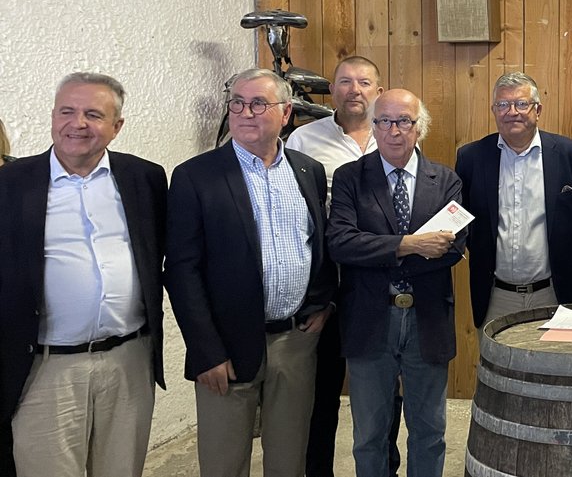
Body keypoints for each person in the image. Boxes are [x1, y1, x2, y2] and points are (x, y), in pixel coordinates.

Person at [165, 68, 336, 477]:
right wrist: (206, 350)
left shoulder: (307, 171)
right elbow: (182, 270)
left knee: (289, 459)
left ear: (286, 113)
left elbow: (321, 245)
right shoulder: (195, 176)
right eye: (237, 103)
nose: (245, 112)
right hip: (225, 346)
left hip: (295, 341)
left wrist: (323, 302)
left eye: (258, 103)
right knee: (224, 462)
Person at [0, 72, 167, 477]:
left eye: (93, 114)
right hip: (45, 368)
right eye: (67, 111)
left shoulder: (145, 178)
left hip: (129, 360)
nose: (78, 123)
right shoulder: (10, 184)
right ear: (53, 117)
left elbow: (160, 254)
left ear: (116, 126)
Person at [327, 88, 464, 477]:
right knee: (369, 433)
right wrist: (411, 244)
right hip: (371, 317)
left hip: (428, 320)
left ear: (419, 128)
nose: (393, 130)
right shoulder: (351, 178)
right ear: (374, 126)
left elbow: (454, 248)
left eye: (404, 121)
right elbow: (341, 243)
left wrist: (379, 251)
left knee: (430, 430)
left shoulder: (446, 180)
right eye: (384, 121)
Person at [286, 56, 405, 477]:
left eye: (364, 82)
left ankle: (383, 467)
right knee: (321, 389)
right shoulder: (303, 140)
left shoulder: (395, 133)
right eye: (344, 82)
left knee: (384, 387)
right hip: (327, 281)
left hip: (380, 283)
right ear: (332, 89)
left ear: (378, 88)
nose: (354, 89)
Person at [456, 72, 572, 328]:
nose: (512, 112)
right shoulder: (471, 158)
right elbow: (466, 222)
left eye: (521, 104)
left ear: (537, 109)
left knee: (554, 366)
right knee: (496, 366)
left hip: (552, 292)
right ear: (494, 110)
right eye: (503, 105)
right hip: (495, 295)